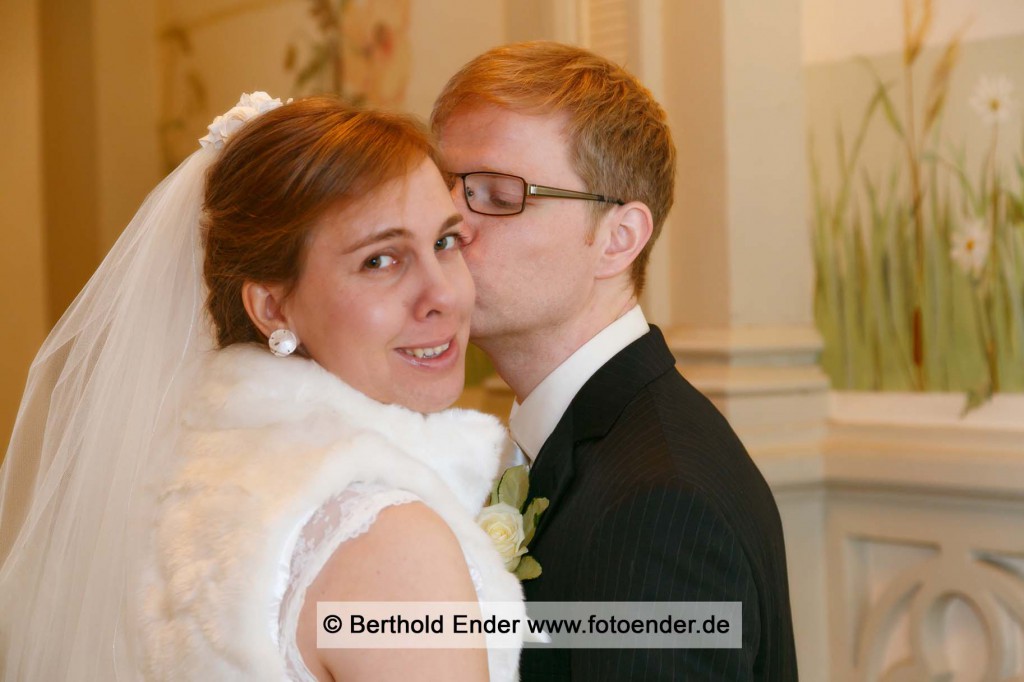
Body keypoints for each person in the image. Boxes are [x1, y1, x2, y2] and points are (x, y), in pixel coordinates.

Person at [0, 94, 524, 681]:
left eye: (445, 242)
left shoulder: (177, 481)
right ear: (272, 306)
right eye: (381, 260)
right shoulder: (385, 537)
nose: (444, 296)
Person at [432, 42, 798, 679]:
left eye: (496, 193)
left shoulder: (662, 502)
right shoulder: (581, 439)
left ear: (618, 240)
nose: (450, 224)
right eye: (445, 189)